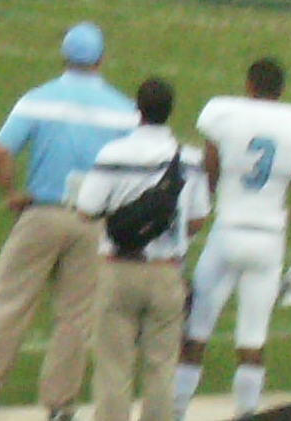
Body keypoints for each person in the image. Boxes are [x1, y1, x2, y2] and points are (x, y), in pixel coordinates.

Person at [0, 22, 133, 421]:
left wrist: (11, 193)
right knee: (74, 318)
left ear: (64, 56)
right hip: (94, 220)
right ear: (100, 60)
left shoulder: (38, 98)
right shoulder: (122, 108)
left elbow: (1, 151)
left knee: (10, 307)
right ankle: (61, 405)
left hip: (43, 214)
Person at [171, 58, 291, 419]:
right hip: (269, 240)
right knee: (252, 341)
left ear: (249, 85)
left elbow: (208, 176)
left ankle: (176, 412)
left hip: (227, 232)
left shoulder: (224, 114)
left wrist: (187, 236)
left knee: (195, 335)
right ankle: (247, 411)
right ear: (280, 90)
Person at [74, 78, 211, 421]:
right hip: (167, 271)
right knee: (161, 367)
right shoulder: (189, 159)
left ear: (138, 110)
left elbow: (87, 209)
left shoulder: (114, 153)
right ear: (170, 111)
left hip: (119, 268)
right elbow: (197, 219)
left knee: (113, 365)